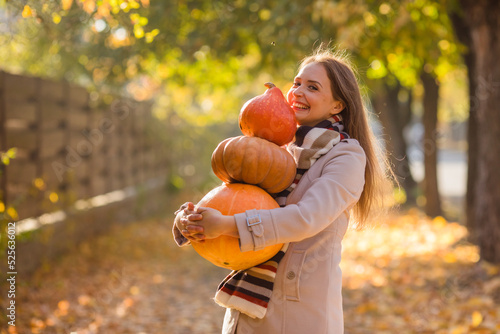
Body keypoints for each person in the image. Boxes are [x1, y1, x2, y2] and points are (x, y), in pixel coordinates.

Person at [173, 45, 393, 334]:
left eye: (312, 87)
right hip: (247, 310)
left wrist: (227, 225)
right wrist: (190, 220)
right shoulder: (276, 149)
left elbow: (306, 218)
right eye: (296, 83)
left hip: (299, 313)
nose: (297, 92)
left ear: (337, 105)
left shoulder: (346, 156)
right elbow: (232, 198)